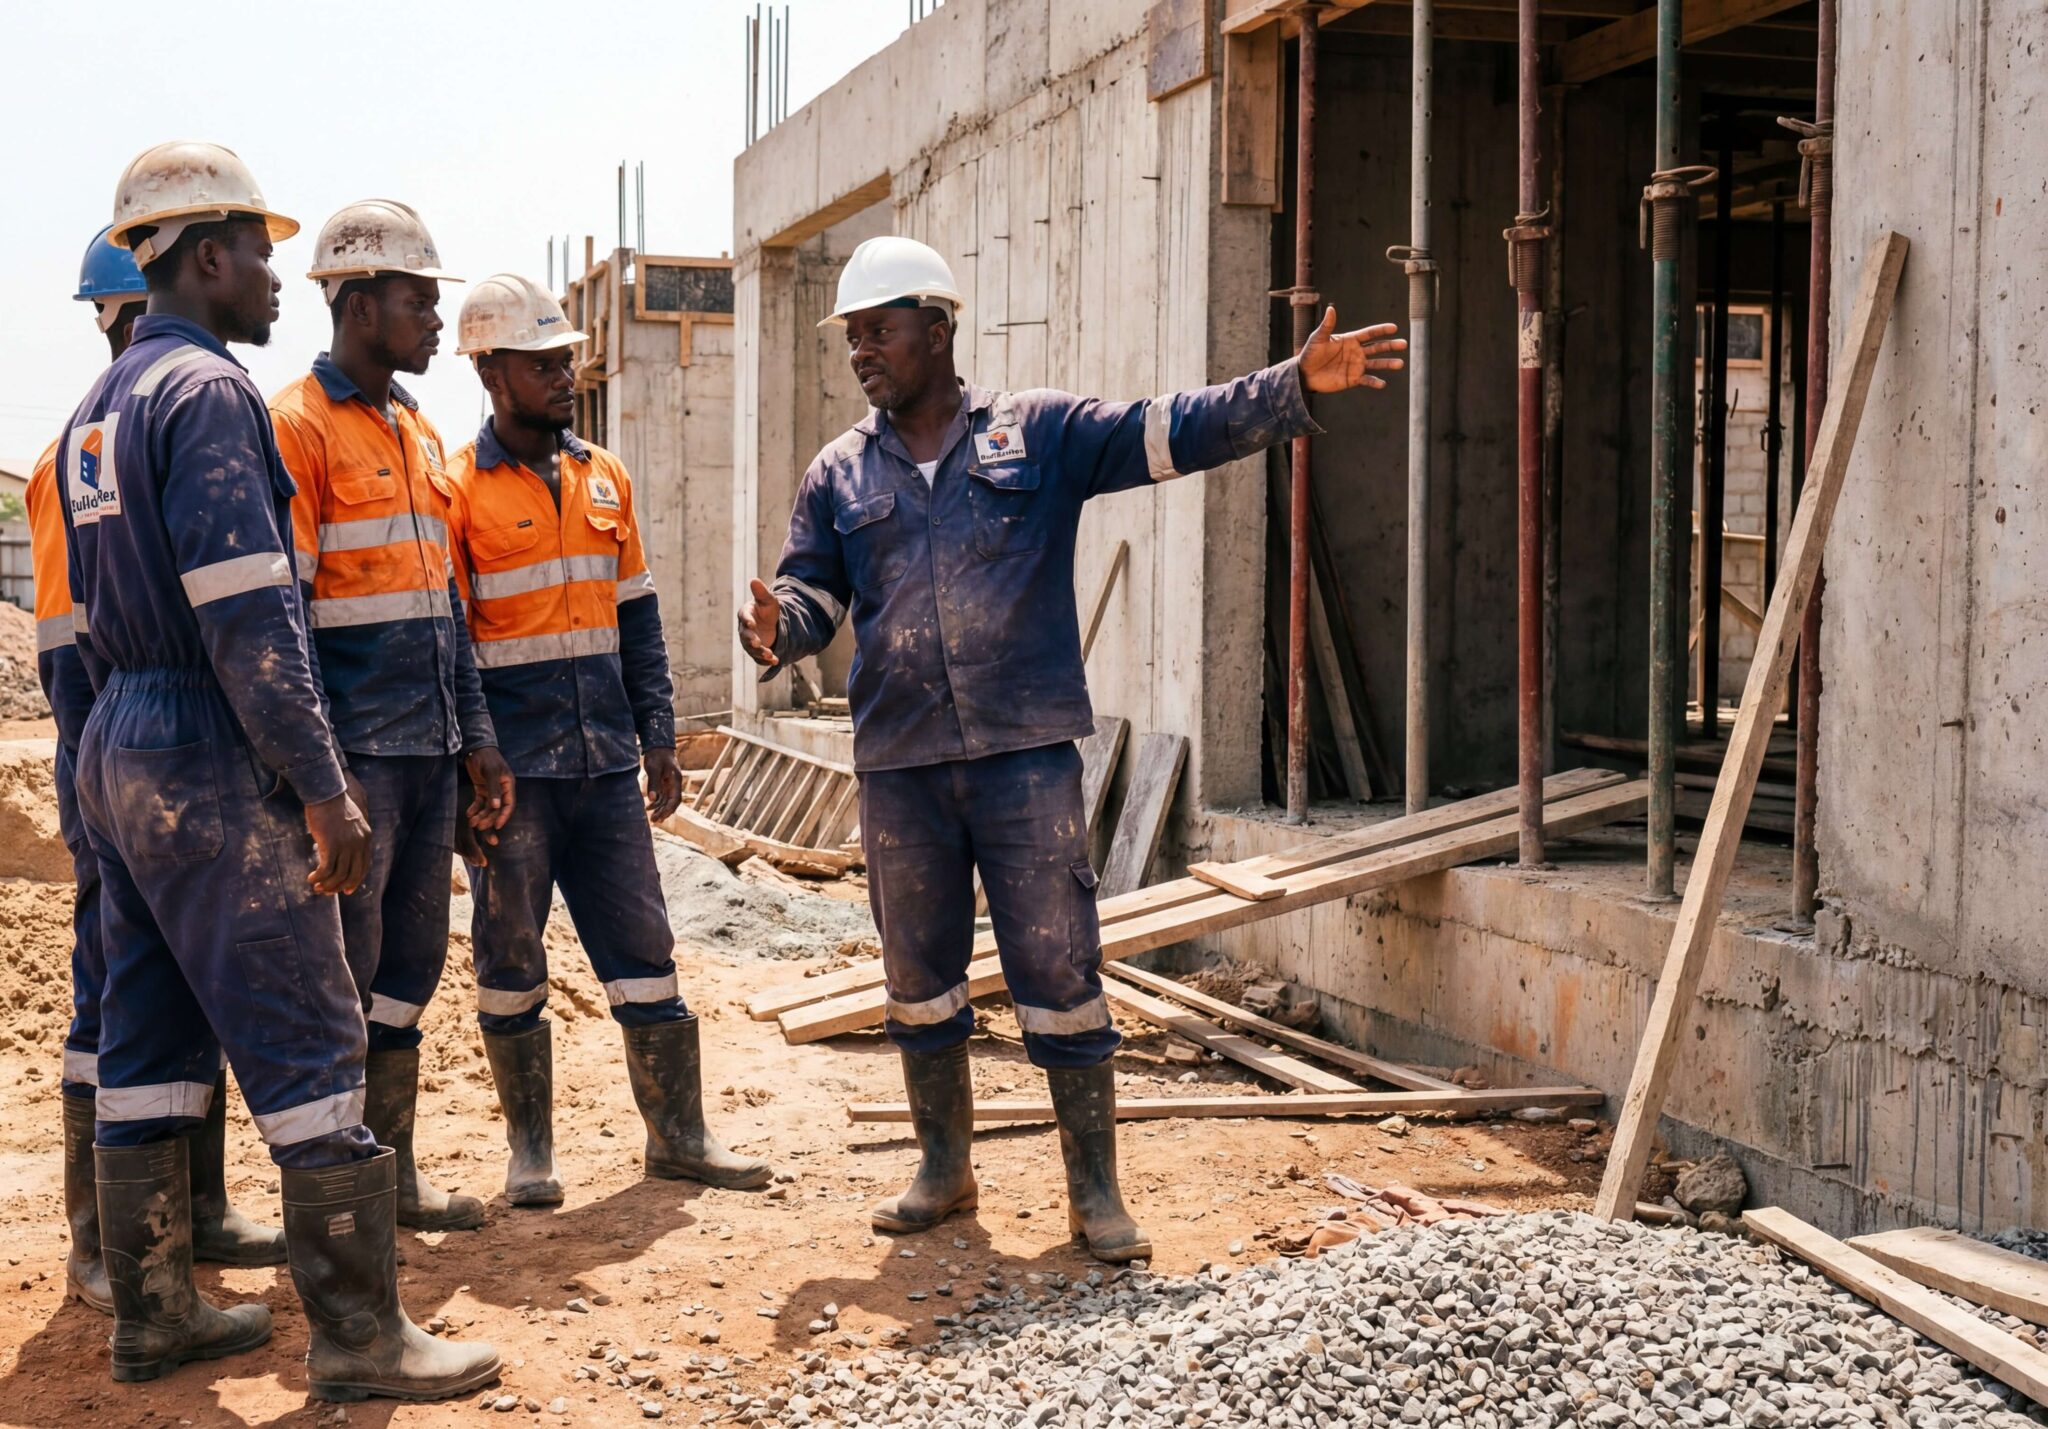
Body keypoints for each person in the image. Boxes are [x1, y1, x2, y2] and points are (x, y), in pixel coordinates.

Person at [737, 235, 1402, 1262]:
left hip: (1025, 756)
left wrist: (1286, 389)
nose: (860, 350)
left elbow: (1165, 431)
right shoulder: (838, 473)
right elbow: (813, 596)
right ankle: (943, 1169)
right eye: (851, 336)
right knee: (918, 974)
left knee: (1058, 966)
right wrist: (777, 627)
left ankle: (1094, 1192)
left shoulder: (1034, 433)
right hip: (902, 766)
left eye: (879, 329)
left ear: (939, 327)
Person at [60, 139, 499, 1402]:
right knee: (311, 1036)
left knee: (147, 1032)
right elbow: (253, 618)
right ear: (205, 256)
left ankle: (150, 1313)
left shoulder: (101, 404)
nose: (272, 274)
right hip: (203, 742)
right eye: (257, 250)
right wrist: (321, 785)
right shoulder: (209, 396)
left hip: (122, 743)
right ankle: (362, 1333)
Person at [443, 273, 771, 1205]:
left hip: (603, 764)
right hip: (515, 773)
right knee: (510, 958)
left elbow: (639, 618)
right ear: (493, 372)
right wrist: (475, 750)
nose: (563, 376)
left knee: (646, 949)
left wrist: (658, 732)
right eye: (543, 364)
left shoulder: (605, 476)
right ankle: (531, 1154)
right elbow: (454, 640)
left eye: (566, 361)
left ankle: (679, 1137)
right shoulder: (456, 492)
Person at [29, 225, 284, 1318]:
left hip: (136, 743)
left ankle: (194, 1216)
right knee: (116, 1000)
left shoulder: (111, 430)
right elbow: (67, 637)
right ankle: (107, 1247)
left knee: (177, 998)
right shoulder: (94, 444)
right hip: (131, 742)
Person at [267, 199, 513, 1233]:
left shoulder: (417, 432)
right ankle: (337, 1201)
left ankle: (393, 1175)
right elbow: (288, 614)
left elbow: (445, 611)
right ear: (359, 302)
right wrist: (327, 772)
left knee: (409, 971)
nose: (430, 322)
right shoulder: (299, 427)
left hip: (428, 751)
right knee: (346, 978)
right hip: (360, 758)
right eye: (416, 301)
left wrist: (479, 742)